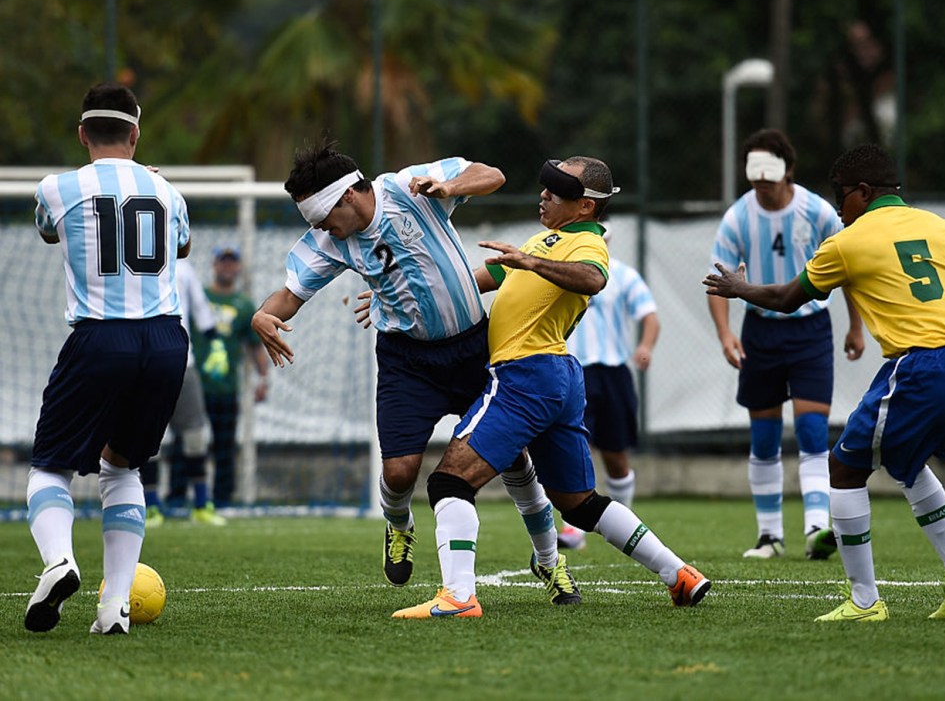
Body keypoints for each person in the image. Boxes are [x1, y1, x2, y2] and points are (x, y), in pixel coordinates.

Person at [703, 143, 945, 621]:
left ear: (864, 193)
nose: (837, 209)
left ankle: (865, 601)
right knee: (908, 466)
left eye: (841, 197)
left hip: (922, 365)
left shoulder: (849, 240)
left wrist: (740, 289)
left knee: (844, 468)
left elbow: (789, 298)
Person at [253, 141, 577, 603]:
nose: (324, 230)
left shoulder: (409, 187)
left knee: (514, 457)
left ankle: (549, 561)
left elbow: (493, 173)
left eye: (325, 219)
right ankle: (399, 525)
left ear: (347, 197)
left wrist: (449, 186)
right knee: (400, 472)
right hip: (407, 362)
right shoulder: (331, 241)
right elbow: (287, 296)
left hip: (473, 349)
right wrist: (261, 315)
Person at [392, 157, 710, 619]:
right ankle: (678, 574)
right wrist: (404, 293)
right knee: (579, 504)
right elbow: (474, 282)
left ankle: (459, 597)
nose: (543, 195)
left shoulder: (587, 243)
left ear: (584, 206)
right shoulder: (546, 240)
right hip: (556, 378)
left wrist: (529, 260)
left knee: (448, 481)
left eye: (556, 190)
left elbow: (594, 278)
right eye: (545, 186)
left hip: (526, 375)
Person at [25, 82, 191, 635]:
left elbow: (51, 234)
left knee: (50, 463)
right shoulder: (169, 193)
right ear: (136, 134)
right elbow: (182, 246)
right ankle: (114, 607)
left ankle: (59, 562)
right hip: (167, 341)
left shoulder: (57, 188)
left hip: (101, 339)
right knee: (122, 466)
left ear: (82, 134)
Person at [707, 128, 865, 561]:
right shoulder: (737, 217)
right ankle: (769, 536)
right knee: (764, 435)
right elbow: (717, 280)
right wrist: (725, 333)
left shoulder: (817, 212)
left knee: (814, 430)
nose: (761, 181)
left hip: (810, 330)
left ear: (788, 169)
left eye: (768, 171)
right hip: (761, 331)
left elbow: (848, 268)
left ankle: (817, 528)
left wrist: (856, 326)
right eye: (753, 172)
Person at [558, 243, 660, 550]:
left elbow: (650, 315)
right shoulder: (559, 270)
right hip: (574, 368)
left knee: (616, 454)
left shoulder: (623, 275)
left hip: (614, 371)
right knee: (577, 447)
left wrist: (645, 347)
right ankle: (573, 530)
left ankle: (624, 521)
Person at [143, 258, 227, 527]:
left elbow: (200, 307)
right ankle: (150, 506)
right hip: (141, 363)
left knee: (196, 436)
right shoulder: (130, 263)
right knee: (144, 439)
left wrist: (215, 342)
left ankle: (202, 504)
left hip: (183, 363)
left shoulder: (183, 267)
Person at [189, 244, 269, 509]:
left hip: (226, 388)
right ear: (214, 265)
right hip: (194, 385)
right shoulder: (198, 298)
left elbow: (254, 344)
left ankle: (222, 498)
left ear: (238, 267)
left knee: (224, 446)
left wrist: (263, 378)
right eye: (222, 261)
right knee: (186, 442)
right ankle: (178, 496)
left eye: (231, 262)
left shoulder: (243, 305)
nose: (226, 266)